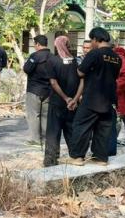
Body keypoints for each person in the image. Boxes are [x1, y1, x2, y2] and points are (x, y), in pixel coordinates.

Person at [64, 27, 121, 166]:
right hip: (108, 99)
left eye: (92, 40)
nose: (92, 44)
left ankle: (77, 157)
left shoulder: (94, 54)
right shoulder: (117, 58)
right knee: (103, 129)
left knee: (80, 125)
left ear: (96, 39)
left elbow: (80, 73)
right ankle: (100, 158)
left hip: (92, 97)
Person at [43, 36, 84, 167]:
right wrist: (75, 99)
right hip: (73, 104)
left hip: (57, 102)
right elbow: (82, 81)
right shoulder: (77, 62)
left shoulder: (52, 61)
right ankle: (76, 156)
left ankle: (51, 160)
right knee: (71, 129)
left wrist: (65, 98)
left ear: (56, 45)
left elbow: (53, 82)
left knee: (53, 132)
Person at [23, 35, 53, 147]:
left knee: (34, 115)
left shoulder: (35, 56)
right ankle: (45, 139)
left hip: (34, 90)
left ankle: (35, 140)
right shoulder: (52, 56)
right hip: (49, 90)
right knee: (46, 115)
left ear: (37, 44)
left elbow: (27, 69)